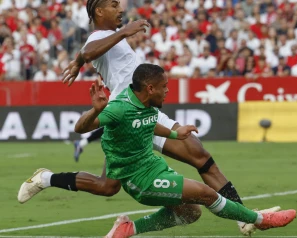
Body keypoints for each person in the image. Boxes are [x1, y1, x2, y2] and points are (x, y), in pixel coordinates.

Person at [17, 0, 280, 236]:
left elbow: (86, 55)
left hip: (142, 112)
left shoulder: (107, 37)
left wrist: (76, 63)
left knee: (191, 161)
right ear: (99, 10)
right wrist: (110, 40)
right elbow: (89, 51)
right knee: (113, 185)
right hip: (126, 115)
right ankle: (45, 179)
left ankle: (244, 218)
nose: (121, 9)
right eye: (114, 4)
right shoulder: (103, 36)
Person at [80, 64, 297, 237]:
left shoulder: (145, 105)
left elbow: (148, 123)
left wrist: (175, 134)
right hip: (139, 180)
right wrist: (95, 110)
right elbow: (81, 127)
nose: (167, 90)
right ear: (150, 88)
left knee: (191, 213)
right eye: (164, 86)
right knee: (205, 193)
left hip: (154, 167)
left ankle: (129, 229)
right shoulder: (119, 107)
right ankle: (260, 220)